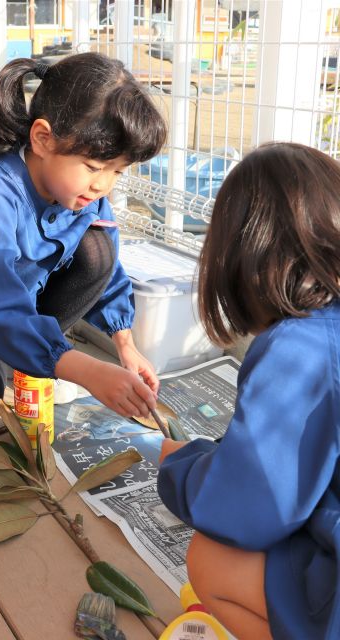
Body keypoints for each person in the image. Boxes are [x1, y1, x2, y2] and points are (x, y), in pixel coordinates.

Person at [0, 52, 167, 421]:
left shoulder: (82, 193)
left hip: (26, 304)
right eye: (94, 167)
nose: (103, 184)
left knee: (98, 251)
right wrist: (89, 371)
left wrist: (126, 345)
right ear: (43, 138)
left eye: (117, 172)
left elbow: (109, 274)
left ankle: (40, 353)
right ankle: (42, 354)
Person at [157, 142, 340, 639]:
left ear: (243, 255)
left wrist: (180, 465)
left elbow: (252, 507)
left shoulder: (298, 350)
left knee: (210, 559)